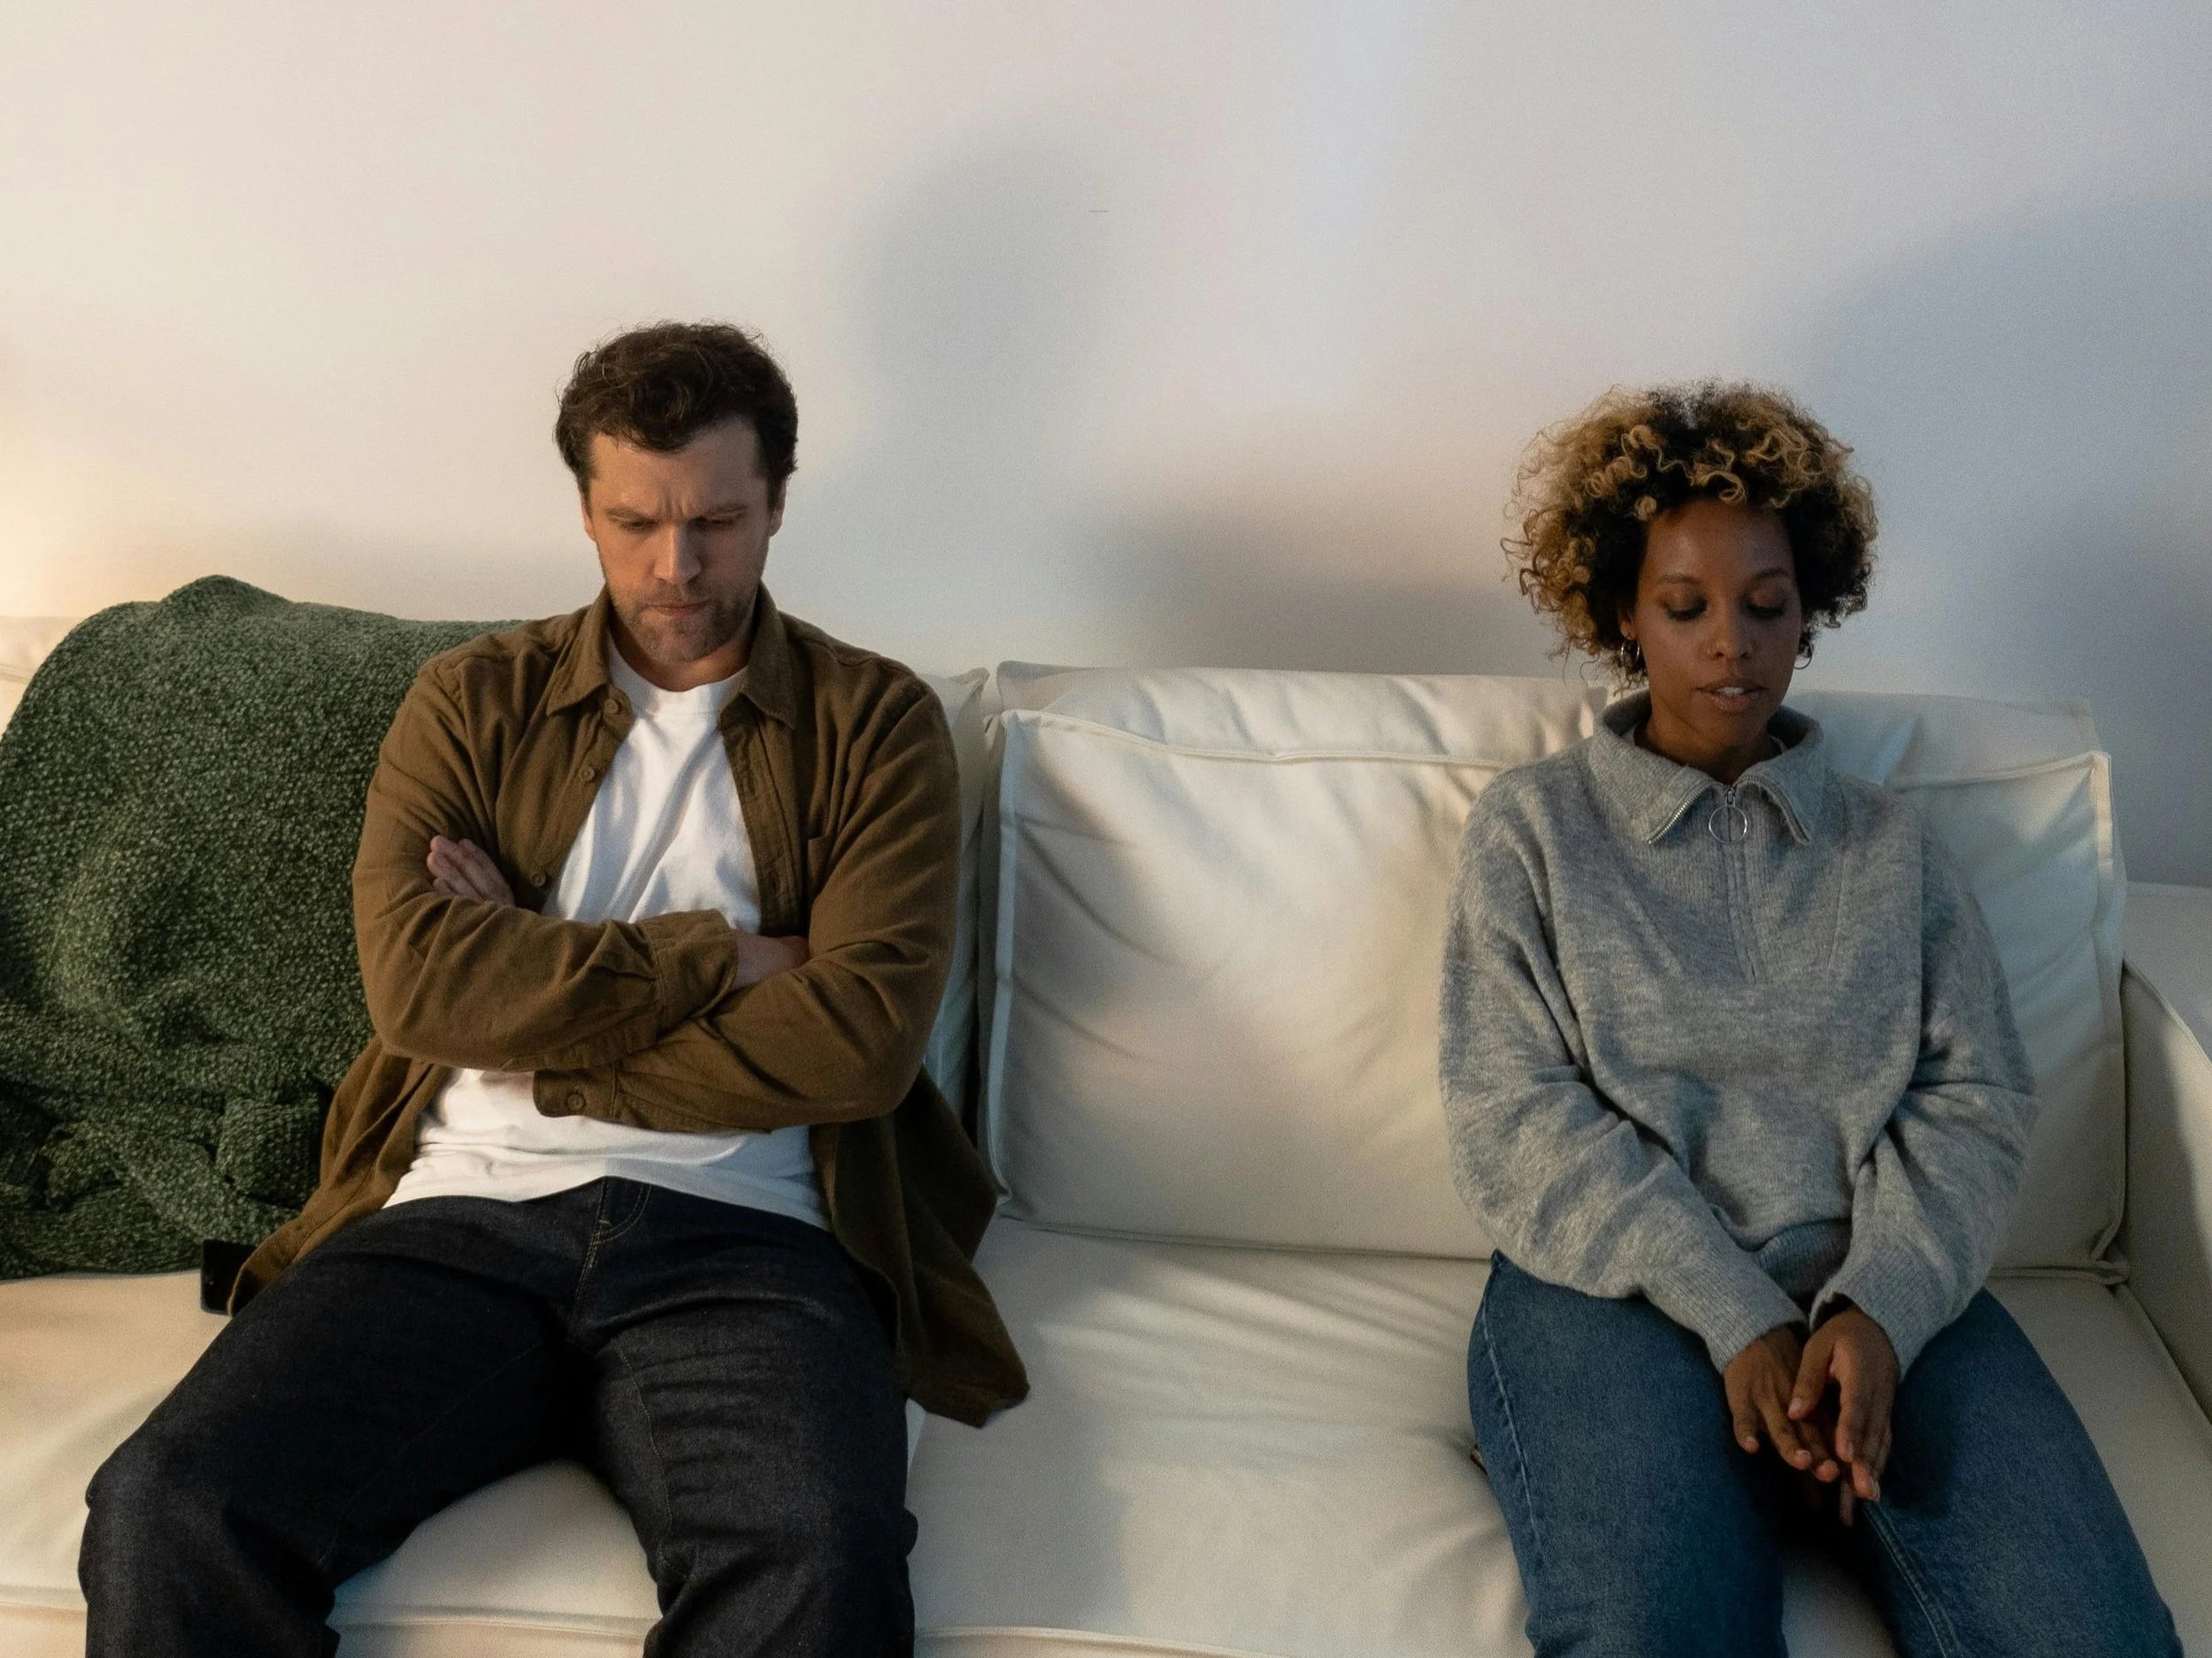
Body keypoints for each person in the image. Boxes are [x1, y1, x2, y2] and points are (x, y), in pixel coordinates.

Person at [80, 320, 1026, 1657]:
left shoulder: (875, 723)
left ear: (776, 507)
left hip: (749, 1239)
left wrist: (536, 992)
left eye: (717, 519)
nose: (676, 564)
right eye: (635, 519)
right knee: (167, 1500)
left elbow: (859, 1041)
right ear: (585, 507)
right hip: (457, 1220)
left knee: (820, 1550)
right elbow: (420, 987)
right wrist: (726, 958)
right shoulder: (471, 700)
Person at [1441, 382, 2177, 1656]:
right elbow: (1514, 1113)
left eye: (1766, 604)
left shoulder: (1893, 848)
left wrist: (1878, 1307)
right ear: (1623, 612)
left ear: (1810, 612)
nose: (1731, 639)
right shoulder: (1535, 832)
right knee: (1654, 1634)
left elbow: (1977, 1097)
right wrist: (1737, 1315)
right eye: (1685, 607)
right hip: (1610, 1295)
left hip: (1880, 1294)